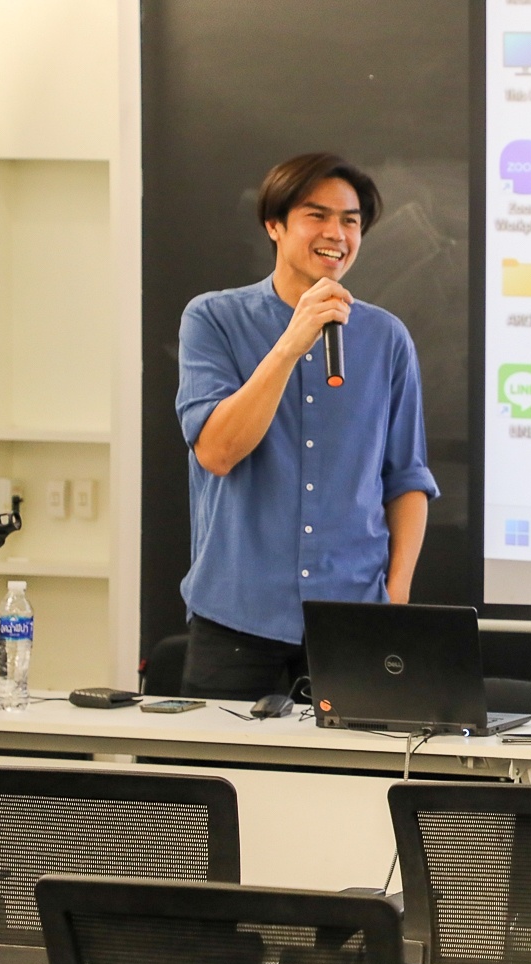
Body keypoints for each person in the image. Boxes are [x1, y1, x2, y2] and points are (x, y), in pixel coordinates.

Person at [176, 152, 440, 700]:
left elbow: (407, 479)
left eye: (350, 221)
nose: (336, 234)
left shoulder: (386, 338)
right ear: (274, 225)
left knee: (350, 761)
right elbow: (217, 452)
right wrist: (292, 343)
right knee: (223, 759)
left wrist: (396, 599)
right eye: (316, 216)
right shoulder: (213, 319)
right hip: (236, 618)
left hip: (353, 622)